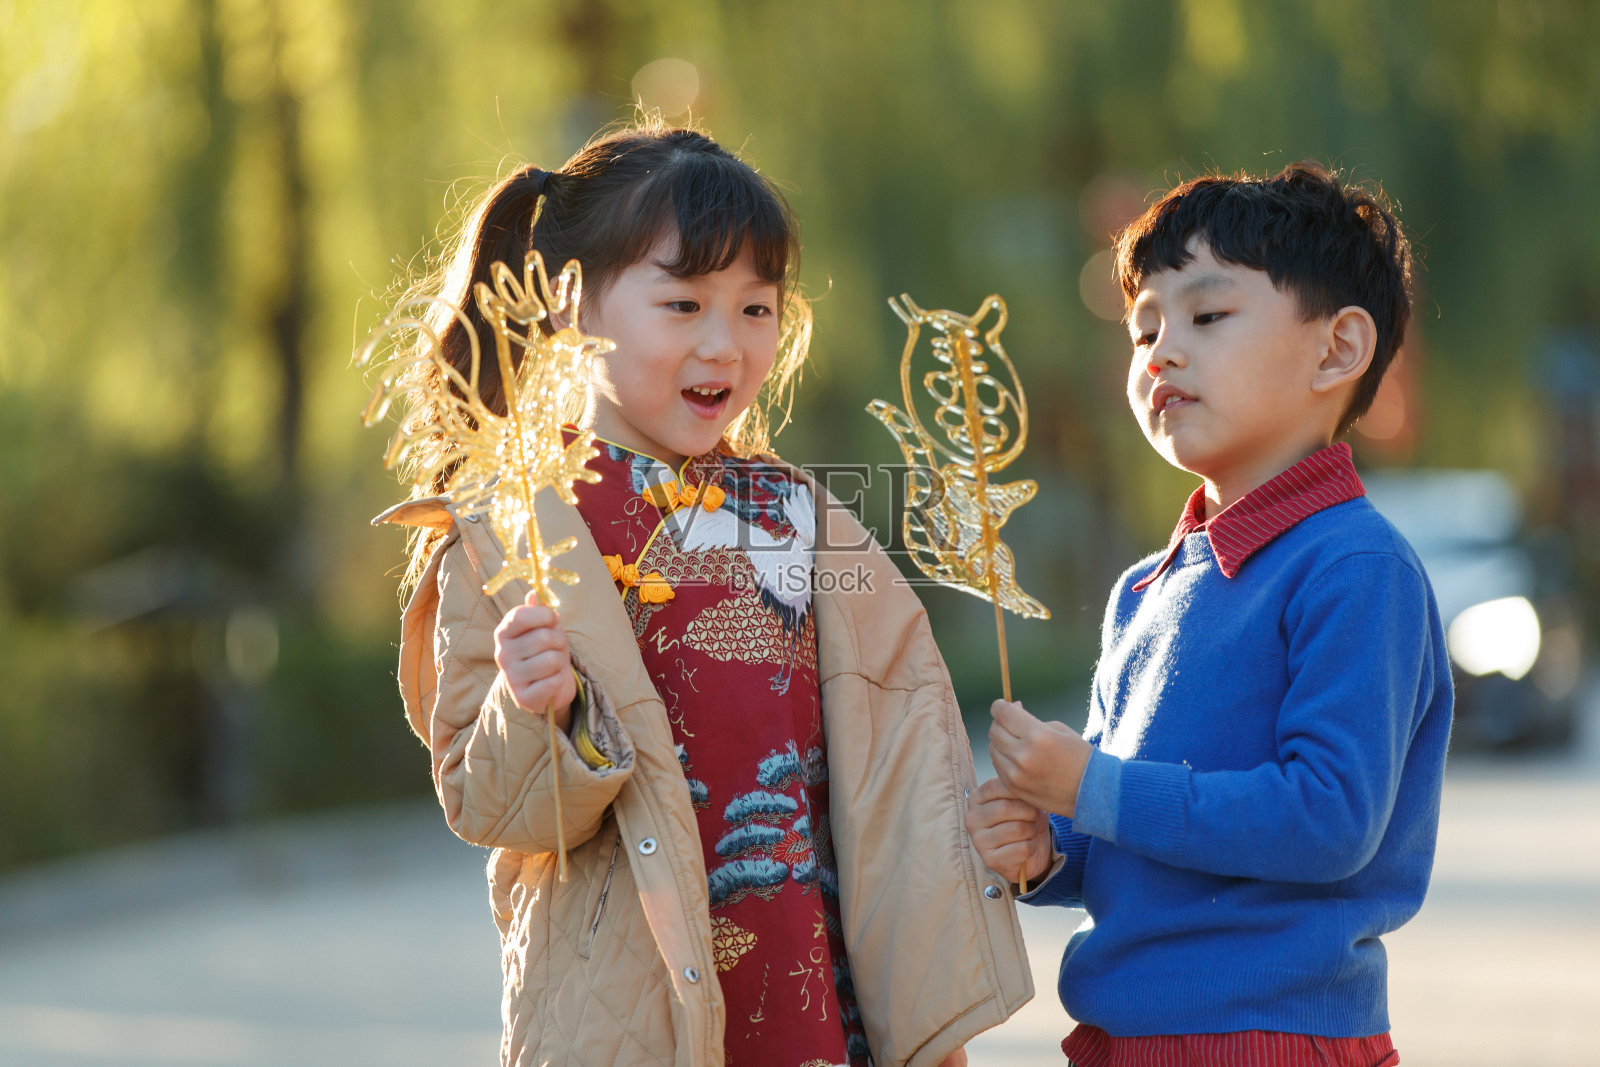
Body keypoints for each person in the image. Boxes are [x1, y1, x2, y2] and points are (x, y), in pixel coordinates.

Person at [371, 121, 1031, 1067]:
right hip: (631, 1017)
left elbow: (900, 749)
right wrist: (534, 707)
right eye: (682, 304)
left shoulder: (800, 514)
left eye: (756, 309)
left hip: (815, 1001)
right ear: (570, 304)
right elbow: (493, 808)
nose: (725, 345)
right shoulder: (514, 521)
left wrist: (1000, 832)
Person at [965, 162, 1452, 1067]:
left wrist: (1091, 788)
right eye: (1143, 328)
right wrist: (1044, 849)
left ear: (1338, 349)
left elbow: (1330, 818)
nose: (1160, 353)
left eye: (1207, 316)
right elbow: (1120, 840)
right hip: (1121, 1034)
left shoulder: (1354, 566)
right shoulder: (1145, 588)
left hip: (1267, 1035)